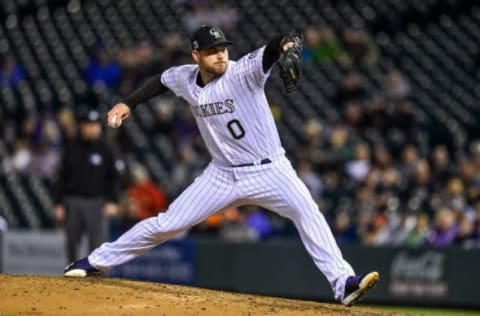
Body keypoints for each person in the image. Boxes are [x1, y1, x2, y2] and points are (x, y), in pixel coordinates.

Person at [64, 25, 379, 306]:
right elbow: (159, 81)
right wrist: (128, 102)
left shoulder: (243, 72)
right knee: (167, 224)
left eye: (223, 48)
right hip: (221, 174)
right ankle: (94, 261)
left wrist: (283, 42)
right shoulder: (186, 77)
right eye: (212, 51)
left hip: (269, 170)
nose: (220, 55)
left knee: (307, 212)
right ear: (196, 55)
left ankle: (344, 283)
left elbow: (269, 50)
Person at [54, 108, 120, 263]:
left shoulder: (106, 149)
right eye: (88, 125)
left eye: (95, 125)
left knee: (96, 241)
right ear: (82, 126)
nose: (92, 128)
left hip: (96, 201)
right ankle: (71, 271)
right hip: (73, 200)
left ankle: (95, 274)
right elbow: (61, 177)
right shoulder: (71, 147)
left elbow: (114, 178)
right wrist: (57, 203)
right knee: (71, 240)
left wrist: (113, 201)